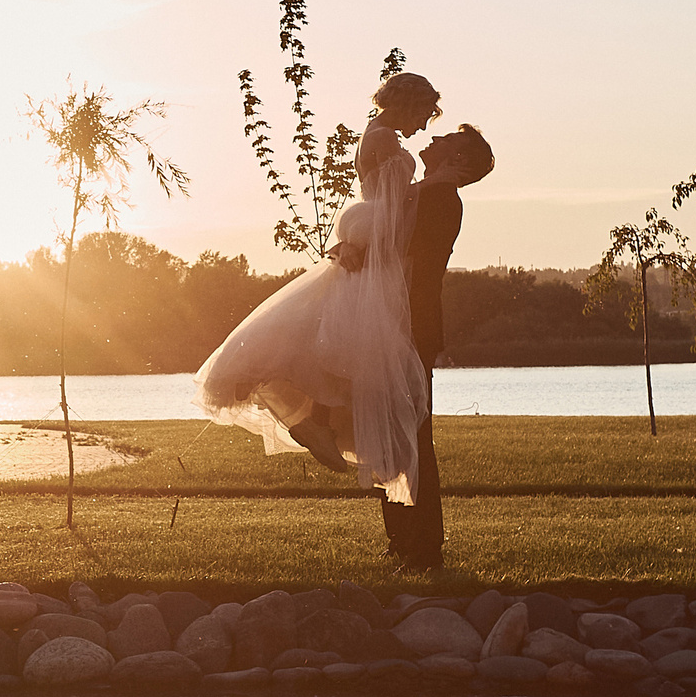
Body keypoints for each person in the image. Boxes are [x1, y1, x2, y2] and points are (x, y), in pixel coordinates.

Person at [195, 72, 440, 504]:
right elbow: (394, 209)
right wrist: (373, 242)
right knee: (355, 353)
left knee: (348, 353)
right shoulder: (383, 140)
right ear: (407, 104)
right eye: (424, 113)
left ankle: (320, 422)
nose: (424, 125)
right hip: (374, 255)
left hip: (368, 246)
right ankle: (314, 421)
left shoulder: (376, 135)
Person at [335, 123, 493, 570]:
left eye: (448, 141)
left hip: (410, 327)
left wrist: (359, 252)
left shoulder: (440, 200)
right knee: (391, 436)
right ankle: (404, 540)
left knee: (412, 435)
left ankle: (423, 545)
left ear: (458, 160)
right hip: (395, 322)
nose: (435, 139)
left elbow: (402, 257)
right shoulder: (422, 192)